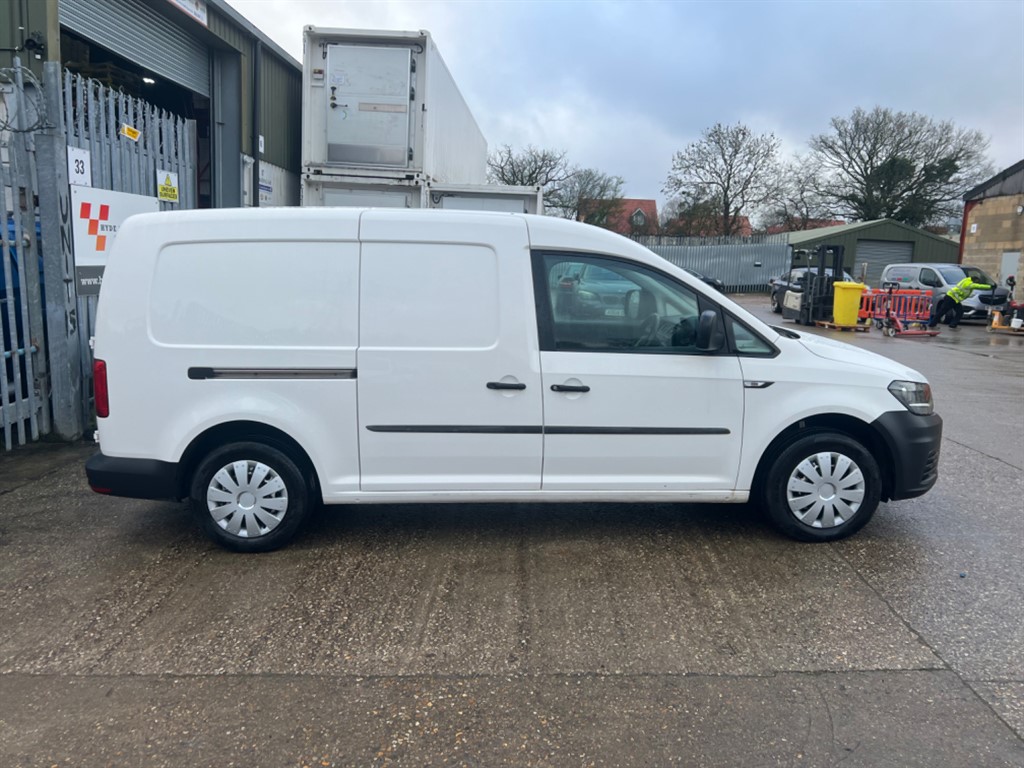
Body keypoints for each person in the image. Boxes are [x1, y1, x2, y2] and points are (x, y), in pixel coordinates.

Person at [928, 275, 993, 329]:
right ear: (974, 281)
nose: (977, 283)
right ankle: (932, 324)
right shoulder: (969, 284)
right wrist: (990, 287)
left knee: (959, 312)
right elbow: (978, 286)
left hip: (954, 298)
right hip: (951, 298)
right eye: (977, 282)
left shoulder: (967, 280)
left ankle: (953, 325)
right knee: (942, 311)